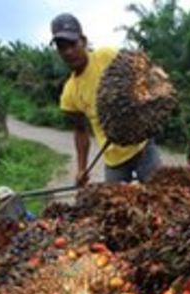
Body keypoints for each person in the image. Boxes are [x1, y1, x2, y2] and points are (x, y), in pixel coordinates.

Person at [50, 13, 162, 186]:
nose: (68, 52)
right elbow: (80, 131)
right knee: (113, 208)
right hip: (113, 159)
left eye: (72, 44)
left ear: (83, 41)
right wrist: (81, 169)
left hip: (142, 146)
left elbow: (140, 69)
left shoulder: (107, 56)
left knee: (161, 194)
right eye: (62, 47)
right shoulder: (69, 93)